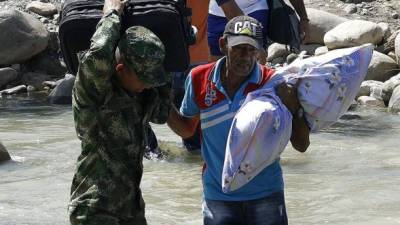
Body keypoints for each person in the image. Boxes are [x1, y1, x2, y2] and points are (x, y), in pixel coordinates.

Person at [167, 15, 310, 225]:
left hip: (266, 194)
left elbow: (302, 145)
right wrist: (159, 101)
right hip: (218, 195)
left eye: (252, 49)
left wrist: (295, 107)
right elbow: (187, 130)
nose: (246, 56)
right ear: (223, 45)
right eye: (239, 48)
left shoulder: (273, 83)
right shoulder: (198, 78)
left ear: (261, 52)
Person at [68, 0, 171, 224]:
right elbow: (97, 55)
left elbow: (162, 114)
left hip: (131, 209)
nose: (148, 84)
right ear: (121, 69)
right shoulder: (95, 94)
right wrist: (112, 15)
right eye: (144, 78)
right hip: (95, 210)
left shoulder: (140, 96)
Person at [208, 0, 310, 62]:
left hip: (255, 9)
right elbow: (229, 8)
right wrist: (251, 36)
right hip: (217, 13)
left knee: (251, 58)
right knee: (214, 62)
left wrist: (304, 18)